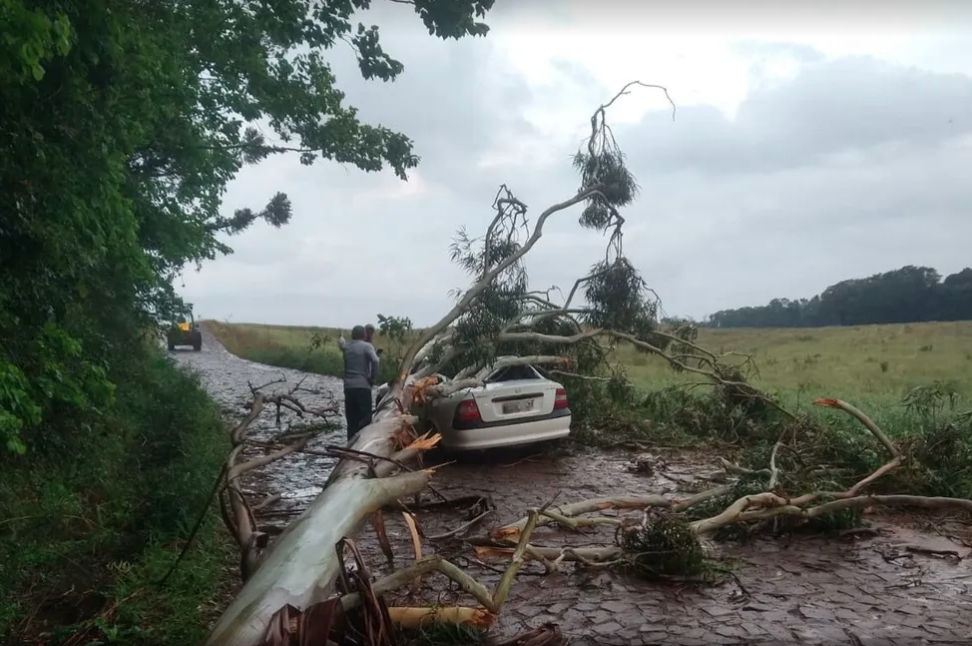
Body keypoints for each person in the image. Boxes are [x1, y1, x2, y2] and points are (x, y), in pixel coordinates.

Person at [338, 325, 380, 441]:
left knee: (351, 423)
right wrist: (372, 378)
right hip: (363, 388)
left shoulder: (347, 347)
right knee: (365, 422)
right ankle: (364, 449)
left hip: (349, 389)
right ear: (364, 335)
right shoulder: (367, 347)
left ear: (352, 335)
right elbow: (376, 360)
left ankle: (350, 449)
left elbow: (341, 343)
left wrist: (340, 336)